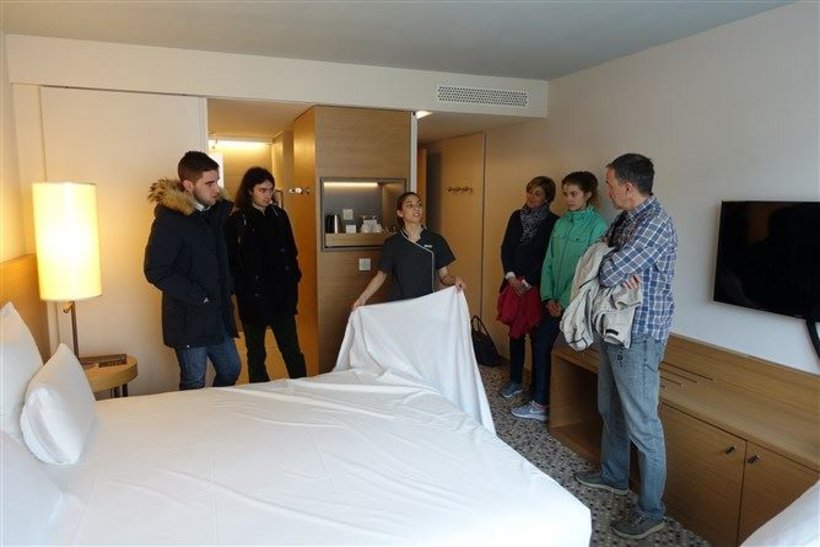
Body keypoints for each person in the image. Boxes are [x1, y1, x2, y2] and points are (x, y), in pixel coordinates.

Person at [574, 153, 678, 540]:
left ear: (629, 187)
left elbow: (605, 269)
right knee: (610, 407)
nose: (608, 191)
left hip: (640, 336)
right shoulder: (625, 220)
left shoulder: (655, 224)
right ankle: (614, 476)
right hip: (614, 327)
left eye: (610, 184)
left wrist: (609, 261)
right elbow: (594, 255)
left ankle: (651, 510)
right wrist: (608, 261)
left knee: (644, 425)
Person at [511, 171, 607, 422]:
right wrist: (547, 297)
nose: (568, 199)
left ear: (587, 194)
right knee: (541, 343)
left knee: (544, 344)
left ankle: (541, 402)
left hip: (573, 302)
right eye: (565, 194)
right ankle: (540, 398)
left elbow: (586, 270)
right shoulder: (561, 223)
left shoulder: (597, 226)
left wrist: (563, 302)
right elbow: (549, 262)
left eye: (574, 194)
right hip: (551, 300)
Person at [144, 151, 241, 390]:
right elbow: (155, 270)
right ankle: (196, 416)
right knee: (194, 380)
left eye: (217, 181)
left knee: (231, 368)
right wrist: (200, 296)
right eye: (209, 183)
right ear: (188, 185)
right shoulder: (170, 220)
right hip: (189, 317)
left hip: (217, 313)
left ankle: (215, 409)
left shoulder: (213, 214)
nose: (216, 188)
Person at [224, 167, 307, 382]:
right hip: (253, 296)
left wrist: (294, 278)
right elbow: (231, 261)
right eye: (262, 190)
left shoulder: (279, 215)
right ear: (249, 190)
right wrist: (241, 288)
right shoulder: (236, 220)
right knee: (256, 353)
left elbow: (291, 251)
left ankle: (303, 388)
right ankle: (259, 392)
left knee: (291, 350)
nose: (268, 195)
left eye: (271, 190)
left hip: (282, 294)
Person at [498, 176, 558, 406]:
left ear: (547, 198)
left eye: (537, 193)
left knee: (536, 334)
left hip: (536, 285)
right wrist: (511, 276)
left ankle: (535, 387)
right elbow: (506, 247)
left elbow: (548, 257)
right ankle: (515, 380)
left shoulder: (553, 222)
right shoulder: (516, 216)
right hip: (513, 283)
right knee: (515, 333)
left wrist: (529, 281)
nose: (531, 197)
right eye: (530, 191)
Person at [352, 191, 465, 309]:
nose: (416, 208)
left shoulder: (436, 240)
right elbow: (380, 276)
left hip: (426, 304)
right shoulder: (392, 244)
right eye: (410, 205)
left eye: (419, 204)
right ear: (400, 213)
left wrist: (455, 280)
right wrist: (362, 299)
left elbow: (444, 276)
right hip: (399, 306)